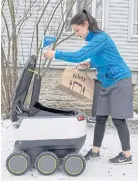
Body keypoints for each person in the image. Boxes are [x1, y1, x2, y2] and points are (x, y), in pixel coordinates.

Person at [44, 9, 133, 165]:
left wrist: (56, 54)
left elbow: (78, 55)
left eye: (77, 30)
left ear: (85, 25)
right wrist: (90, 63)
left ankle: (127, 155)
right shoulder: (93, 41)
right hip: (106, 82)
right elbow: (103, 57)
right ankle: (95, 151)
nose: (76, 34)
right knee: (100, 118)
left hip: (120, 81)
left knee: (118, 119)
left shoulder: (101, 38)